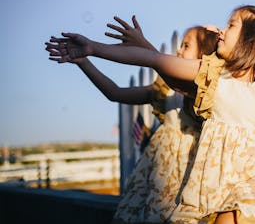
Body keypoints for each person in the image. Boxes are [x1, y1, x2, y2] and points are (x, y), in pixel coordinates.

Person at [47, 4, 255, 224]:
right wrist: (94, 50)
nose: (222, 30)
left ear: (252, 39)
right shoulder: (210, 75)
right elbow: (154, 59)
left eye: (231, 25)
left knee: (233, 216)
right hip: (219, 178)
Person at [47, 16, 219, 223]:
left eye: (186, 45)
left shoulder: (201, 92)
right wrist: (84, 63)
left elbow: (162, 65)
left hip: (188, 175)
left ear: (204, 54)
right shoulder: (163, 91)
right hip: (159, 175)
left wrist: (140, 46)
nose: (179, 51)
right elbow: (115, 93)